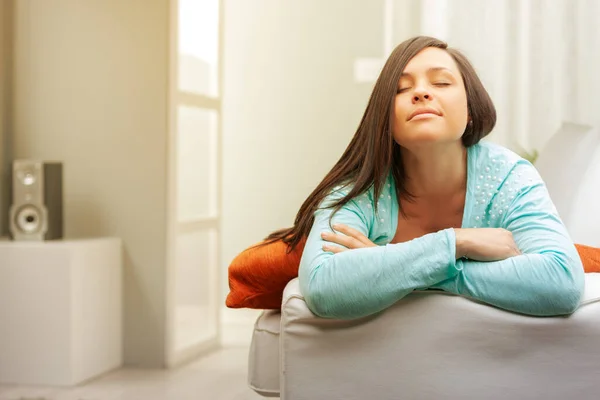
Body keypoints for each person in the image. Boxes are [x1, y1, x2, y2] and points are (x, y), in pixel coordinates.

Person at [264, 36, 585, 319]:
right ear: (385, 118)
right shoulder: (360, 188)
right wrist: (458, 242)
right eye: (402, 89)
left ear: (471, 108)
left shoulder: (508, 176)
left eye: (441, 83)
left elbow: (561, 281)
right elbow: (324, 288)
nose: (420, 93)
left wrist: (389, 264)